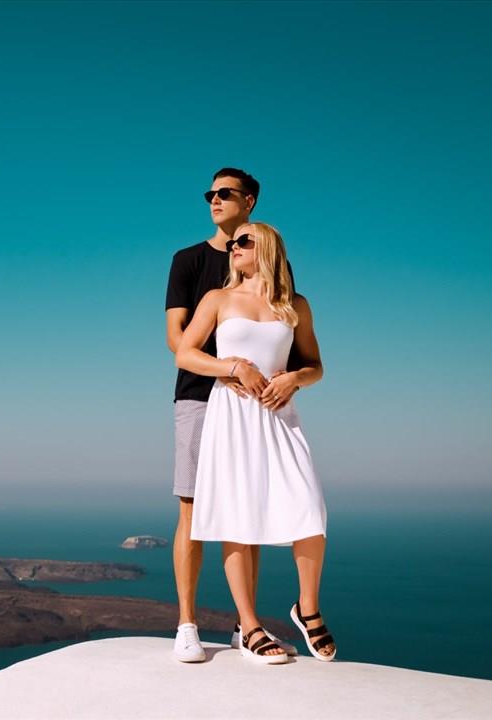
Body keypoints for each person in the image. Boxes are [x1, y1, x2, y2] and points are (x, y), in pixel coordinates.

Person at [175, 222, 336, 665]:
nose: (234, 247)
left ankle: (307, 608)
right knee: (238, 519)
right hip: (233, 414)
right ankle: (248, 627)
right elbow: (185, 352)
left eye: (244, 240)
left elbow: (316, 365)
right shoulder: (218, 299)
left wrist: (295, 378)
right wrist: (232, 367)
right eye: (232, 242)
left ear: (267, 246)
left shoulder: (295, 305)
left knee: (309, 509)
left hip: (279, 415)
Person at [164, 168, 298, 662]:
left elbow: (286, 334)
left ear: (250, 201)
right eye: (210, 194)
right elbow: (177, 340)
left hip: (254, 406)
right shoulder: (188, 261)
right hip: (200, 397)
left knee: (248, 509)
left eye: (225, 193)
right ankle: (187, 625)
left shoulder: (269, 262)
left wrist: (290, 379)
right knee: (192, 507)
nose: (214, 200)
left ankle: (246, 625)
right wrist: (230, 369)